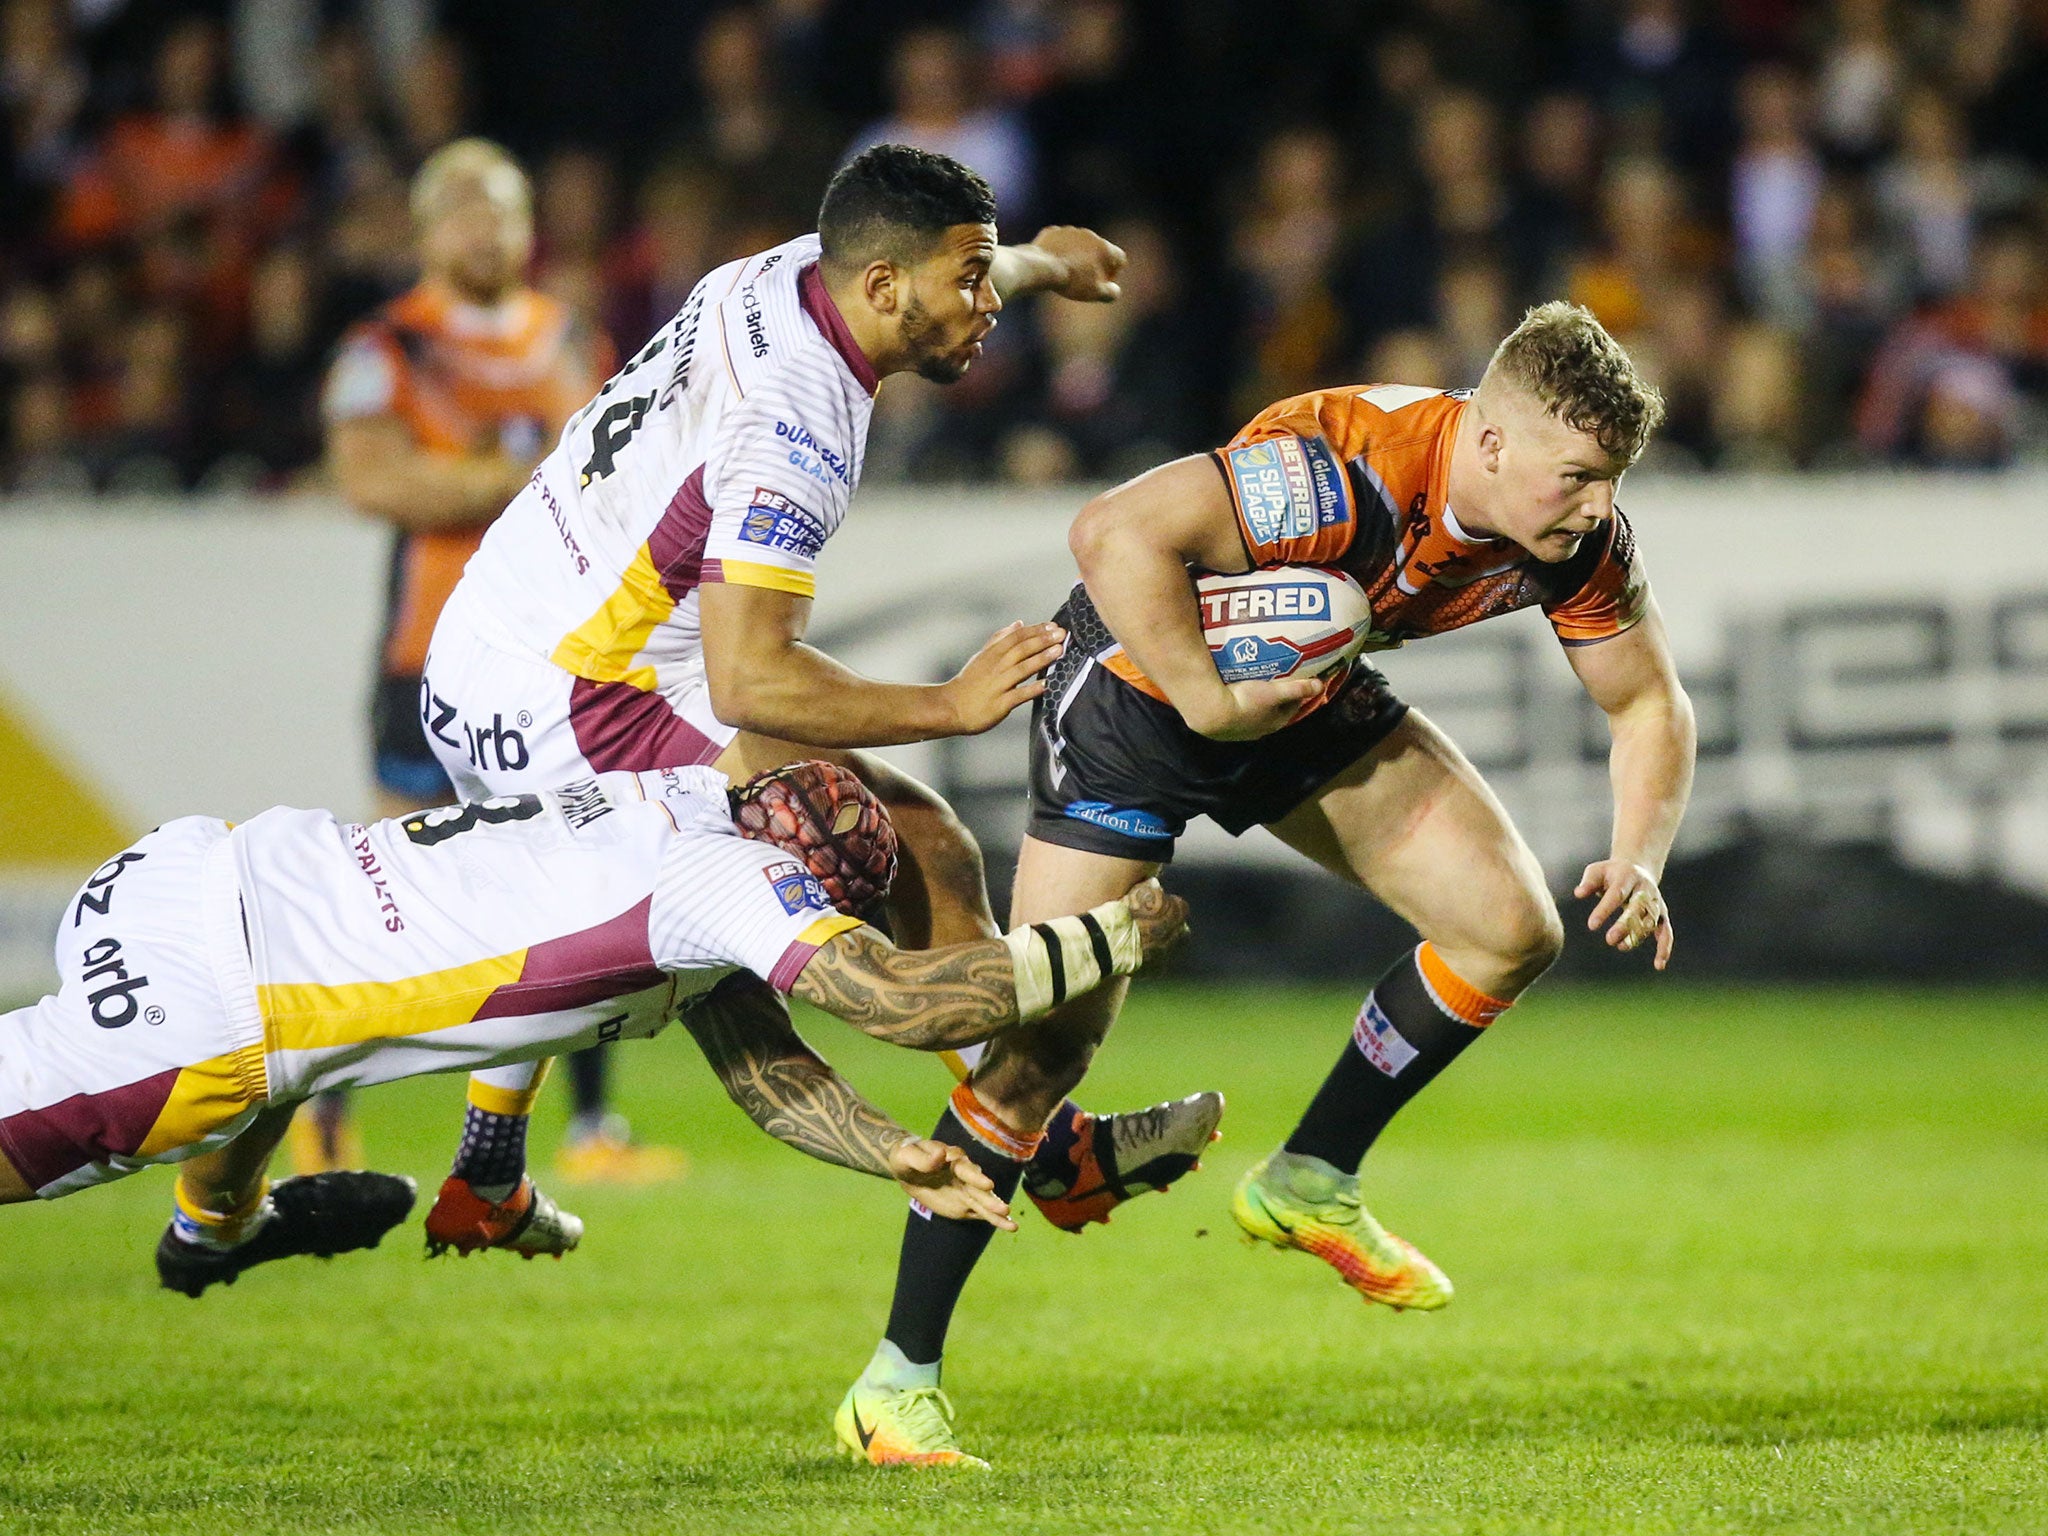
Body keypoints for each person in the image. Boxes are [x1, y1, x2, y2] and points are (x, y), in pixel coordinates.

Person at [836, 301, 1697, 1467]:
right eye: (1580, 475)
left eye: (1611, 479)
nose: (1597, 505)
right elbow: (1109, 532)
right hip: (1140, 696)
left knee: (1504, 928)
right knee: (1037, 1048)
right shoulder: (1346, 476)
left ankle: (1309, 1176)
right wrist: (1199, 698)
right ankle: (893, 1384)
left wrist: (1637, 853)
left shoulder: (1579, 537)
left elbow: (1646, 700)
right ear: (1490, 444)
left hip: (1296, 693)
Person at [413, 142, 1222, 1260]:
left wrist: (1041, 262)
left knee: (913, 842)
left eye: (985, 274)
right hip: (568, 694)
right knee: (751, 932)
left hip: (513, 627)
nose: (987, 304)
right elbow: (754, 680)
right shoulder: (794, 423)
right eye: (972, 281)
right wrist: (949, 704)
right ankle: (1046, 1146)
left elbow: (922, 258)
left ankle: (486, 1173)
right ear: (885, 291)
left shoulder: (792, 271)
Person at [0, 761, 1188, 1303]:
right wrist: (1109, 938)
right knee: (231, 1077)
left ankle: (214, 1238)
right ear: (800, 879)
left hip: (206, 863)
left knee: (268, 1082)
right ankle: (218, 1226)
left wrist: (891, 1151)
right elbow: (901, 1002)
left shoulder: (673, 796)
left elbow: (764, 1070)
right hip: (211, 999)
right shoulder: (723, 883)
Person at [321, 137, 661, 1182]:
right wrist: (531, 476)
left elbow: (628, 476)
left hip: (559, 656)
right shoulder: (385, 346)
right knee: (394, 899)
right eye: (464, 207)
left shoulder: (572, 336)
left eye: (503, 207)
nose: (485, 227)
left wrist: (482, 475)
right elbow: (379, 486)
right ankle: (321, 1129)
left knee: (588, 879)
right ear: (425, 229)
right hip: (425, 656)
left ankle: (588, 1131)